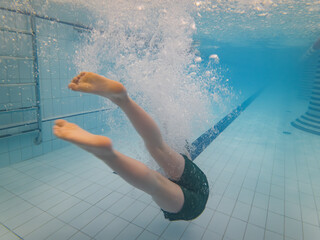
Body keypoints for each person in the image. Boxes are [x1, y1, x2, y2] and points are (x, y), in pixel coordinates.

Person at [53, 72, 209, 221]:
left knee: (158, 149)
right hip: (193, 206)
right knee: (155, 180)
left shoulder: (183, 159)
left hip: (201, 183)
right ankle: (109, 149)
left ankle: (123, 100)